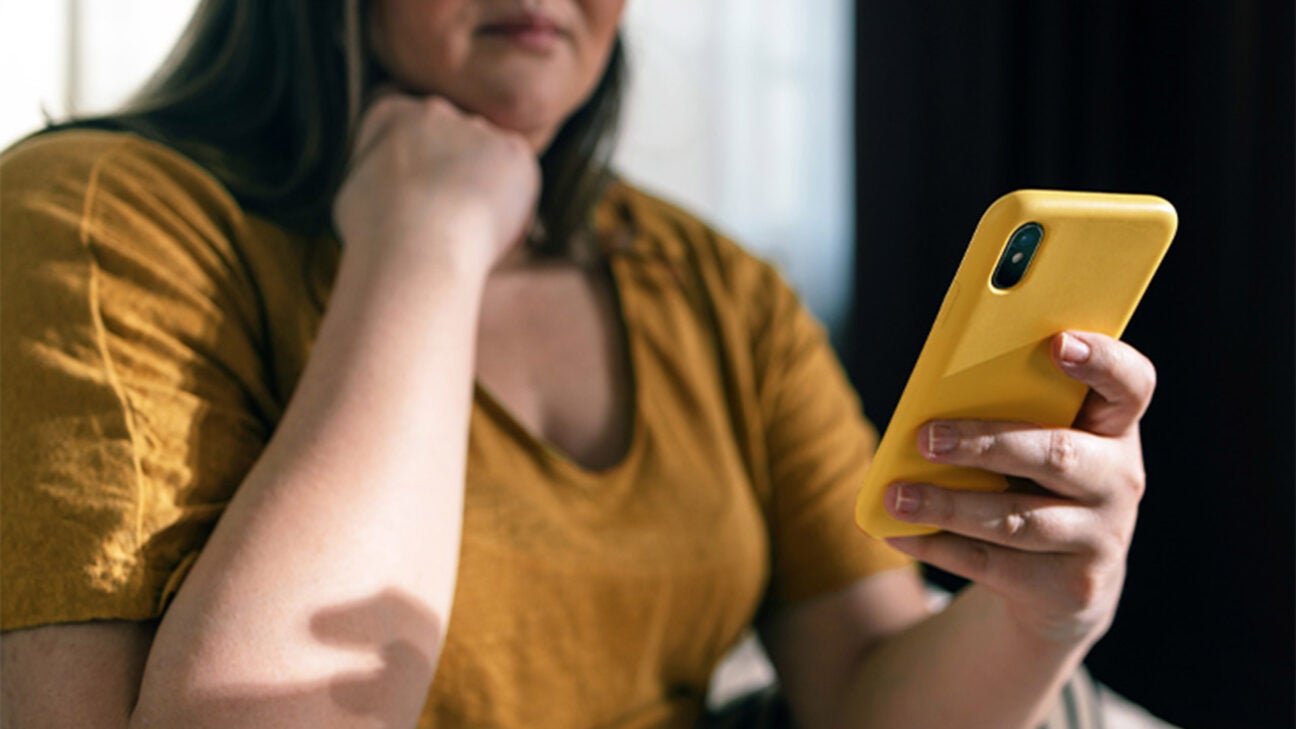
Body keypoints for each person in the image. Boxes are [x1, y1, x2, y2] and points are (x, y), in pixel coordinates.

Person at [0, 1, 1157, 727]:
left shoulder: (715, 289)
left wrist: (1042, 622)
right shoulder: (101, 216)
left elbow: (861, 692)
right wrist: (426, 248)